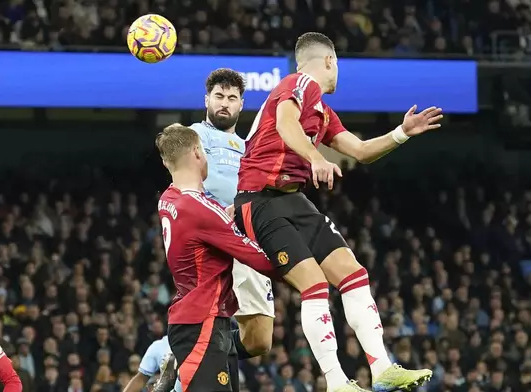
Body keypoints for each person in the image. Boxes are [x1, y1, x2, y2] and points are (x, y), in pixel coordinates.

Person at [233, 32, 443, 392]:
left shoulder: (320, 110)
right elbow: (286, 124)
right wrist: (316, 157)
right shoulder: (299, 83)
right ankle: (336, 382)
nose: (337, 73)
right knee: (314, 284)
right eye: (338, 65)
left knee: (353, 273)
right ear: (329, 61)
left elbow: (360, 151)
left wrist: (401, 133)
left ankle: (382, 369)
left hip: (291, 199)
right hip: (258, 200)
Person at [155, 123, 276, 392]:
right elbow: (262, 261)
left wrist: (225, 218)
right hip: (204, 325)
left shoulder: (168, 198)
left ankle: (177, 370)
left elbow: (207, 221)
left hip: (196, 320)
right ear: (198, 153)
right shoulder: (204, 211)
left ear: (166, 163)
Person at [189, 69, 274, 359]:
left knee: (260, 340)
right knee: (208, 319)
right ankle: (192, 353)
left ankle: (191, 353)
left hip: (248, 237)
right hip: (211, 239)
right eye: (219, 96)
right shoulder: (194, 135)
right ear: (206, 100)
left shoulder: (249, 147)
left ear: (241, 104)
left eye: (232, 98)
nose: (224, 103)